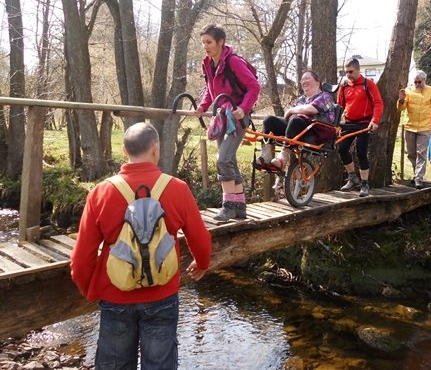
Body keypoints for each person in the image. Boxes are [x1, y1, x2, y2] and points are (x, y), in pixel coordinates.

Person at [70, 122, 212, 369]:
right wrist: (202, 264)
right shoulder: (178, 188)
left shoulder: (101, 192)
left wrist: (92, 290)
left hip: (116, 295)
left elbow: (80, 260)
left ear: (125, 151)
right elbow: (200, 239)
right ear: (155, 149)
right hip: (162, 294)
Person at [194, 24, 260, 221]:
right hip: (220, 117)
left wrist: (243, 108)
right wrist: (202, 107)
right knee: (229, 160)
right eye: (203, 42)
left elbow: (254, 87)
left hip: (236, 118)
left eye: (209, 42)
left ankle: (228, 205)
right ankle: (240, 207)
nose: (206, 46)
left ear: (220, 42)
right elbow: (210, 89)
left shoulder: (233, 62)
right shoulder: (207, 63)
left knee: (222, 159)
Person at [256, 70, 337, 171]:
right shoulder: (301, 99)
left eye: (307, 78)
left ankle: (283, 158)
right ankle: (265, 156)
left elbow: (311, 109)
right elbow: (287, 116)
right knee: (269, 120)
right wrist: (293, 112)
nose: (304, 81)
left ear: (317, 82)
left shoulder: (325, 96)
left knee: (295, 120)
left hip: (315, 132)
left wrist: (291, 110)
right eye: (302, 80)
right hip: (296, 127)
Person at [337, 58, 384, 197]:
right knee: (342, 148)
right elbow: (339, 105)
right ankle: (353, 178)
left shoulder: (367, 84)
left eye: (350, 71)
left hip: (364, 123)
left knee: (361, 152)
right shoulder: (344, 85)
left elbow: (378, 103)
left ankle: (364, 184)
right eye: (345, 72)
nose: (348, 74)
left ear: (358, 70)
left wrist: (375, 121)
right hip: (348, 122)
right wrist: (336, 123)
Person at [397, 71, 431, 189]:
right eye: (415, 82)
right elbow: (402, 108)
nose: (417, 84)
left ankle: (418, 179)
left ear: (424, 81)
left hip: (425, 127)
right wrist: (401, 100)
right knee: (411, 153)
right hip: (409, 126)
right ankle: (416, 173)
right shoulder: (408, 90)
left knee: (421, 153)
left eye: (419, 82)